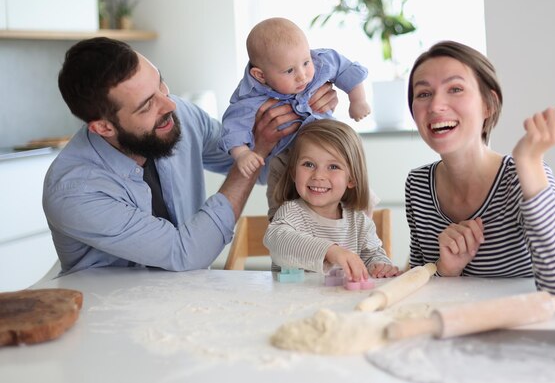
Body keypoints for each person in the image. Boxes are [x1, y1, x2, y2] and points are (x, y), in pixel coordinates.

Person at [43, 37, 337, 276]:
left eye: (160, 83)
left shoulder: (181, 116)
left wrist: (304, 112)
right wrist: (257, 149)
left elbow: (262, 170)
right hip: (107, 324)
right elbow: (186, 252)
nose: (169, 104)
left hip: (185, 303)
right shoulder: (74, 190)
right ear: (103, 127)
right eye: (147, 105)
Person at [404, 40, 555, 295]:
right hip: (453, 329)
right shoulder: (418, 184)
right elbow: (418, 288)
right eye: (423, 94)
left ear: (488, 104)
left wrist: (529, 162)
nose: (435, 106)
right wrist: (446, 271)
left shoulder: (522, 176)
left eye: (455, 89)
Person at [219, 17, 370, 218]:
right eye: (289, 70)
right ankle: (283, 229)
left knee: (357, 198)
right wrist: (243, 154)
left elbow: (344, 68)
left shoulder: (320, 62)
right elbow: (233, 126)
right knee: (282, 205)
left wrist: (357, 100)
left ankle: (356, 229)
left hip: (329, 147)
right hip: (285, 157)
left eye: (306, 62)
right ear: (260, 75)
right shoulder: (249, 98)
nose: (302, 76)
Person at [264, 119, 400, 281]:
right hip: (293, 303)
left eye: (333, 167)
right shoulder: (290, 212)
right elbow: (277, 241)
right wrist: (329, 251)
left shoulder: (359, 221)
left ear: (352, 179)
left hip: (343, 303)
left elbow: (373, 255)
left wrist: (379, 266)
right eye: (308, 164)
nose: (318, 176)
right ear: (294, 173)